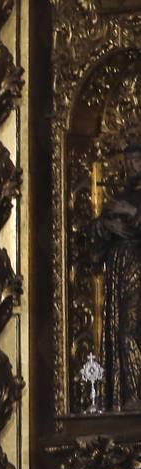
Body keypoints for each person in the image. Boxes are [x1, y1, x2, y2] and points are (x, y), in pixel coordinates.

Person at [93, 138, 141, 410]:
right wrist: (105, 226)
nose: (133, 167)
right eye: (128, 162)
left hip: (137, 260)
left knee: (130, 330)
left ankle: (135, 393)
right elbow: (95, 238)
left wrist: (132, 213)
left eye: (137, 161)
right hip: (120, 265)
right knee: (119, 329)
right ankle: (123, 393)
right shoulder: (120, 195)